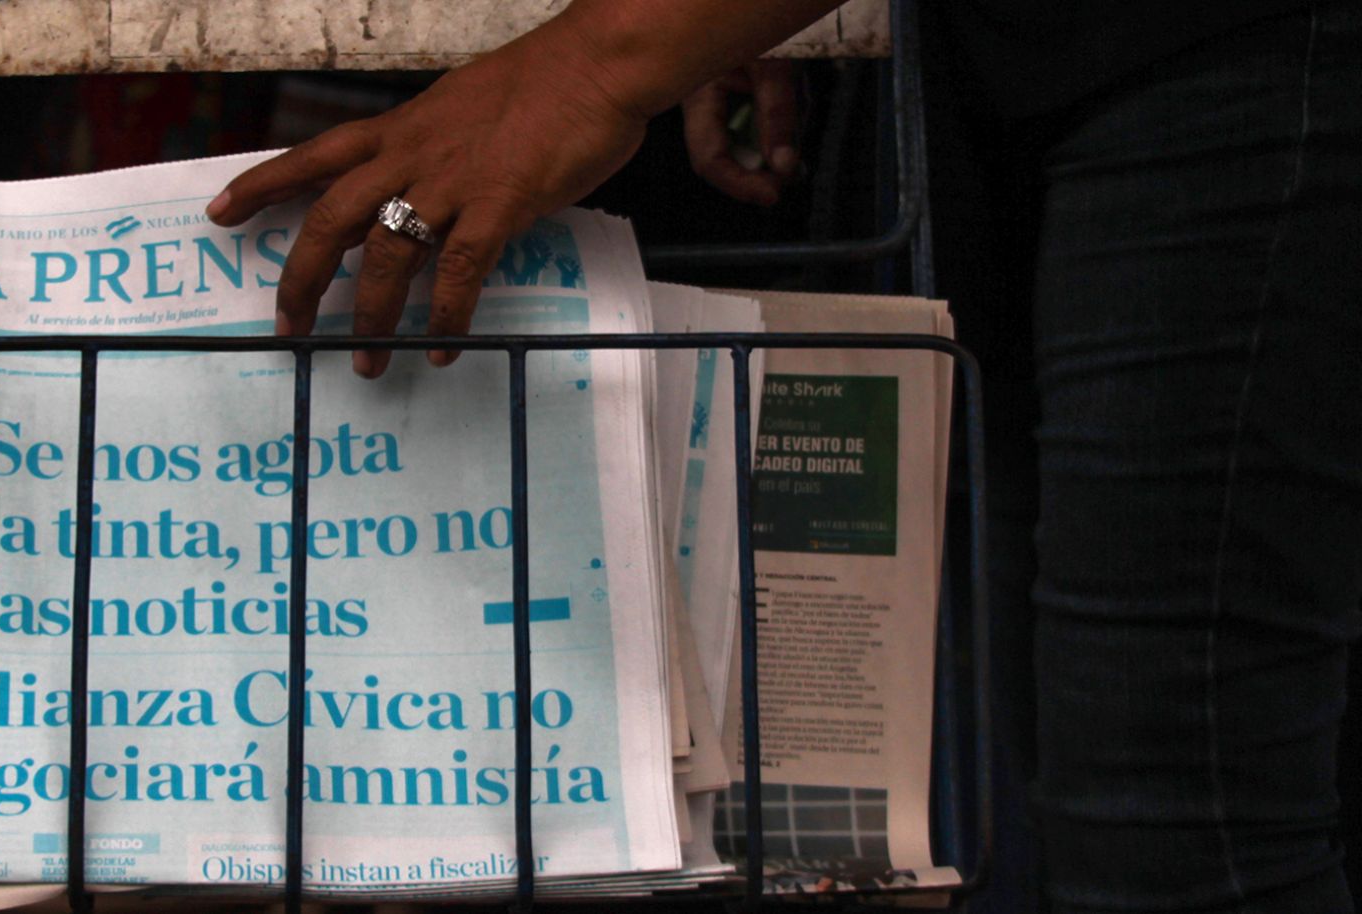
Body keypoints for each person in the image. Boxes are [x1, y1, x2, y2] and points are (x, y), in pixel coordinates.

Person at [205, 1, 1362, 911]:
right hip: (1031, 72)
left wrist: (603, 58)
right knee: (1062, 781)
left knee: (1174, 818)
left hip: (1224, 58)